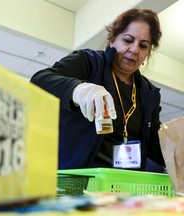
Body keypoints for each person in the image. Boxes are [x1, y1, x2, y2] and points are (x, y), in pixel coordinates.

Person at [30, 8, 166, 172]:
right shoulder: (89, 62)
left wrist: (176, 144)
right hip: (77, 176)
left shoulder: (148, 93)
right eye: (128, 40)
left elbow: (154, 145)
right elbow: (40, 81)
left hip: (124, 182)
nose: (134, 49)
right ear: (112, 40)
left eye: (143, 46)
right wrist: (78, 90)